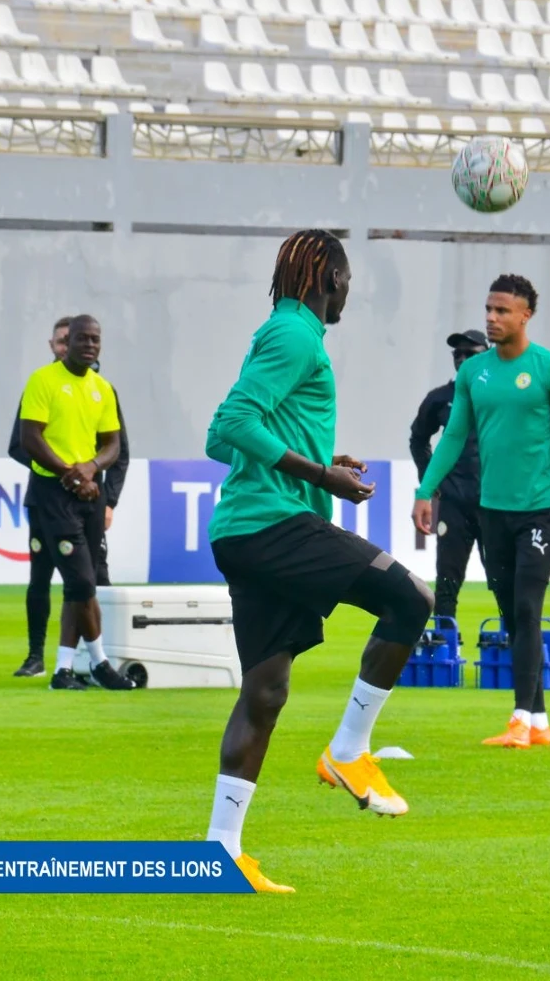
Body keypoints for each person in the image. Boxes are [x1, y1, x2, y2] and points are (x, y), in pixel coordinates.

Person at [203, 230, 434, 894]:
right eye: (348, 279)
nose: (349, 292)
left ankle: (221, 852)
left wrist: (319, 466)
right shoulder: (295, 335)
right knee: (410, 598)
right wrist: (320, 480)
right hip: (272, 526)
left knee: (266, 691)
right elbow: (226, 428)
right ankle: (348, 751)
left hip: (250, 529)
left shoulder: (284, 333)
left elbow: (252, 431)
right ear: (328, 277)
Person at [412, 275, 550, 750]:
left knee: (526, 606)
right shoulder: (476, 374)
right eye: (488, 310)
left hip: (540, 509)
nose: (492, 319)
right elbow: (452, 437)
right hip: (490, 510)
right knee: (513, 615)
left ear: (525, 316)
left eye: (502, 311)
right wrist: (425, 491)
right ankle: (538, 721)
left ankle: (518, 718)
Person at [10, 316, 130, 680]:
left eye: (95, 339)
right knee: (62, 580)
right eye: (81, 339)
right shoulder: (42, 381)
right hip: (50, 493)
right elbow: (25, 441)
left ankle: (66, 667)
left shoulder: (103, 388)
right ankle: (89, 661)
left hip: (90, 494)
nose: (89, 345)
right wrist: (70, 473)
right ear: (66, 342)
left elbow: (115, 446)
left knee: (84, 581)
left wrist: (92, 473)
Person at [409, 329, 487, 620]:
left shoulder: (501, 396)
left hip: (495, 503)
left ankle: (511, 646)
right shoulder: (440, 398)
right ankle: (444, 649)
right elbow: (418, 439)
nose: (463, 358)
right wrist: (430, 480)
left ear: (488, 354)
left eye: (471, 353)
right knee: (447, 582)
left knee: (505, 581)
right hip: (454, 503)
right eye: (458, 354)